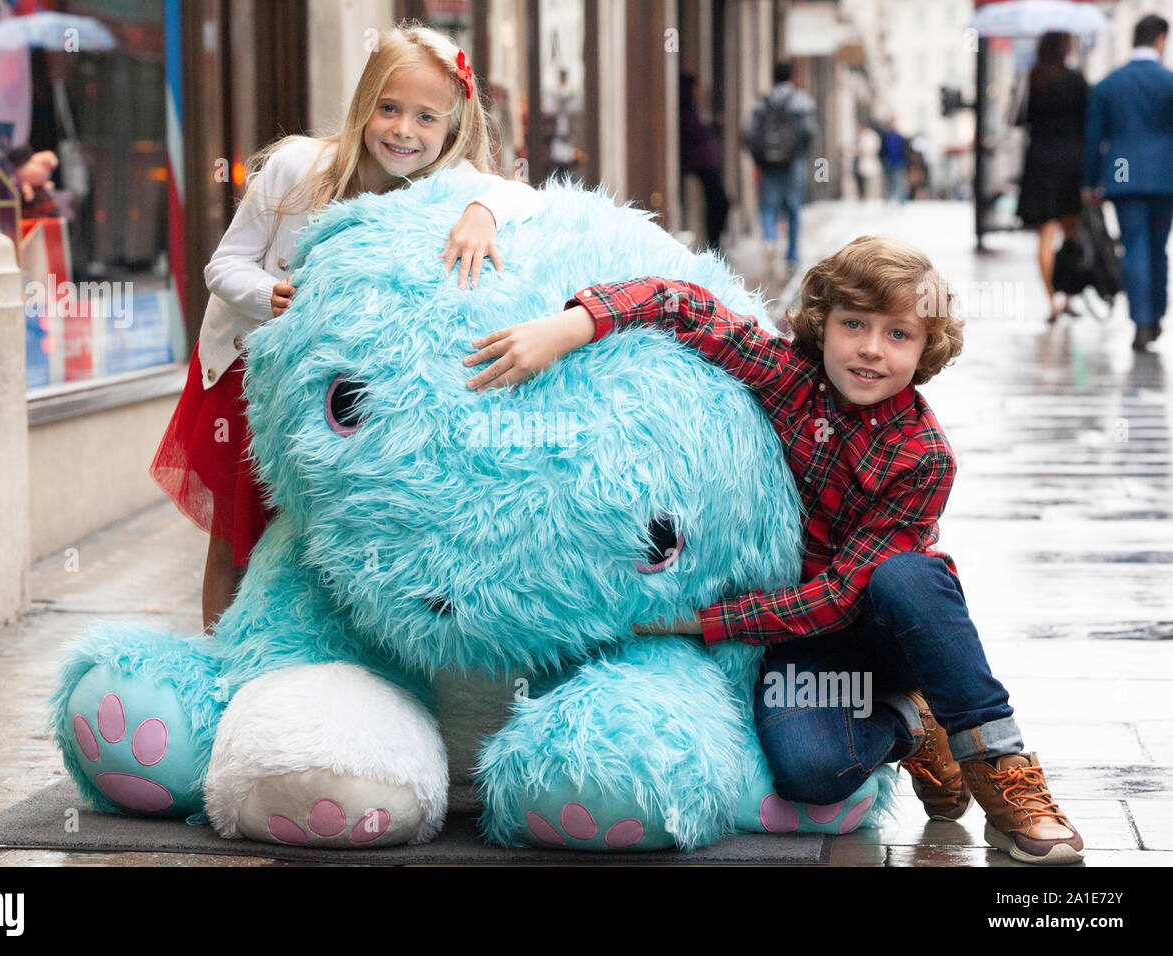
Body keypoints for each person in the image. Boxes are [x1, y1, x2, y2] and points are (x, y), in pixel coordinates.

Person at [461, 237, 1086, 865]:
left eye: (899, 335)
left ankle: (1003, 771)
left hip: (885, 627)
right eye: (853, 324)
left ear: (926, 351)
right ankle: (909, 726)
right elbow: (686, 308)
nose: (871, 349)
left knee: (908, 577)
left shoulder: (923, 455)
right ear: (822, 326)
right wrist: (572, 326)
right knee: (811, 772)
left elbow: (844, 596)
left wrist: (708, 622)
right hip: (801, 637)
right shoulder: (791, 381)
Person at [150, 24, 540, 632]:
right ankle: (218, 663)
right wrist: (270, 296)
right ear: (363, 105)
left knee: (316, 539)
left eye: (426, 117)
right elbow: (221, 266)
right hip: (249, 379)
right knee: (236, 537)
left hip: (341, 396)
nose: (404, 130)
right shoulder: (297, 167)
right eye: (388, 108)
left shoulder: (445, 186)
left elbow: (529, 198)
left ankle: (300, 665)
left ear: (452, 128)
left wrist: (482, 212)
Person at [1084, 13, 1173, 351]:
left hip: (1122, 172)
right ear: (1161, 40)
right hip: (1165, 175)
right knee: (1157, 248)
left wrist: (1090, 182)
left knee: (1133, 245)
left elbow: (1095, 139)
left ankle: (1140, 319)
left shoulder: (1109, 84)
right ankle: (1156, 317)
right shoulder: (1169, 81)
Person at [1015, 31, 1089, 323]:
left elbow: (1018, 118)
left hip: (1040, 161)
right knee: (1070, 234)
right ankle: (1069, 297)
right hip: (1072, 161)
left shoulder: (1031, 78)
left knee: (1045, 236)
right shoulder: (1076, 80)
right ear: (1063, 48)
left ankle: (1052, 303)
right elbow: (1088, 121)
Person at [745, 61, 816, 276]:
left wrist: (760, 158)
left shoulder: (763, 102)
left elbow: (750, 134)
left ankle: (769, 238)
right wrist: (800, 153)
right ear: (792, 76)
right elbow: (810, 131)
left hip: (768, 164)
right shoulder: (801, 100)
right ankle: (792, 255)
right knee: (793, 208)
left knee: (768, 207)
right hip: (794, 163)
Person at [679, 73, 731, 253]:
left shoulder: (692, 109)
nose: (699, 92)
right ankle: (714, 245)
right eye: (695, 88)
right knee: (719, 202)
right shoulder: (686, 111)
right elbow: (695, 136)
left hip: (705, 164)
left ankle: (715, 244)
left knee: (718, 203)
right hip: (701, 165)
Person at [879, 120, 909, 203]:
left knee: (897, 182)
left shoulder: (896, 137)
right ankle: (890, 199)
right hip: (892, 162)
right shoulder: (887, 136)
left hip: (897, 162)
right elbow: (882, 150)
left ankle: (898, 200)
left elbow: (904, 150)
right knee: (892, 182)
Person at [853, 121, 881, 201]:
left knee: (868, 180)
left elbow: (869, 149)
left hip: (868, 162)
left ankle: (868, 197)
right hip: (860, 163)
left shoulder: (870, 136)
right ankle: (862, 196)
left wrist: (859, 151)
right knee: (860, 180)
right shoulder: (859, 136)